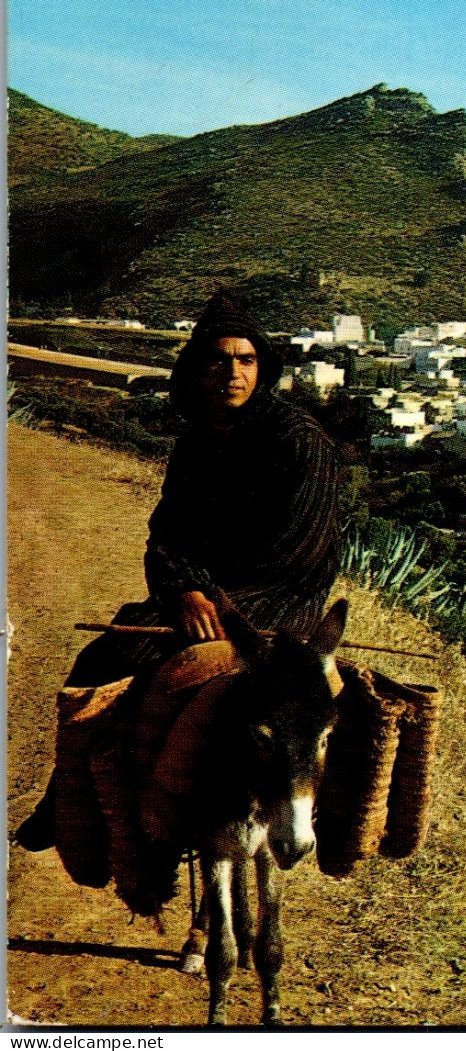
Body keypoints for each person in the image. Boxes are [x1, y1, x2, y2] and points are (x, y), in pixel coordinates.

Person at [14, 294, 344, 850]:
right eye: (218, 359)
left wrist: (217, 599)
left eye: (245, 360)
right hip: (210, 595)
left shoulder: (299, 442)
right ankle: (68, 795)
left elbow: (300, 549)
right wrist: (185, 590)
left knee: (152, 659)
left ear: (262, 369)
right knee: (103, 654)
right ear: (195, 369)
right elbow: (168, 534)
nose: (232, 372)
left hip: (281, 597)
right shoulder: (195, 446)